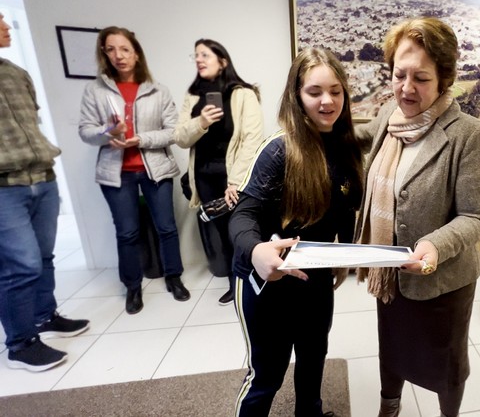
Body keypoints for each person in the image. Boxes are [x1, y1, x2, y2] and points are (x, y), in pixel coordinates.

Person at [354, 17, 480, 417]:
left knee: (445, 366)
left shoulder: (471, 135)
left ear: (444, 80)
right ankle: (390, 404)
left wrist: (435, 244)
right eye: (399, 75)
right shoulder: (390, 115)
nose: (406, 88)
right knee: (391, 349)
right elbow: (355, 137)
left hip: (441, 281)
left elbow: (478, 217)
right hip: (391, 272)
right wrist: (315, 120)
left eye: (420, 78)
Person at [229, 47, 363, 417]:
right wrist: (256, 251)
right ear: (296, 96)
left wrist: (344, 256)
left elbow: (346, 208)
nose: (327, 101)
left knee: (313, 356)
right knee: (267, 374)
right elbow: (242, 215)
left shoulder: (347, 149)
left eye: (335, 91)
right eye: (314, 92)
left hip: (314, 275)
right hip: (266, 278)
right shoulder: (279, 150)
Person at [0, 12, 90, 372]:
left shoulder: (16, 73)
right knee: (19, 266)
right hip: (5, 187)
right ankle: (21, 344)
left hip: (42, 177)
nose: (6, 26)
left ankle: (44, 316)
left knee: (44, 257)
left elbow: (32, 121)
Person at [78, 26, 189, 315]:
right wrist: (107, 131)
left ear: (136, 53)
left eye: (125, 49)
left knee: (167, 228)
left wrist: (141, 139)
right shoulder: (95, 90)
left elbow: (173, 132)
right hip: (117, 174)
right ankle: (132, 287)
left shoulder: (158, 90)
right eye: (111, 49)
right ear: (104, 54)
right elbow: (86, 131)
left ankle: (174, 277)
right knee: (127, 233)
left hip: (156, 170)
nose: (119, 55)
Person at [175, 39, 264, 305]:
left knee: (241, 232)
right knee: (222, 234)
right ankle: (234, 284)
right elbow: (180, 138)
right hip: (204, 177)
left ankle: (252, 283)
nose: (199, 60)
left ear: (222, 61)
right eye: (196, 55)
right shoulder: (193, 97)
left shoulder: (244, 94)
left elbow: (252, 139)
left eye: (205, 55)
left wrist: (235, 181)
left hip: (233, 178)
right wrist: (201, 122)